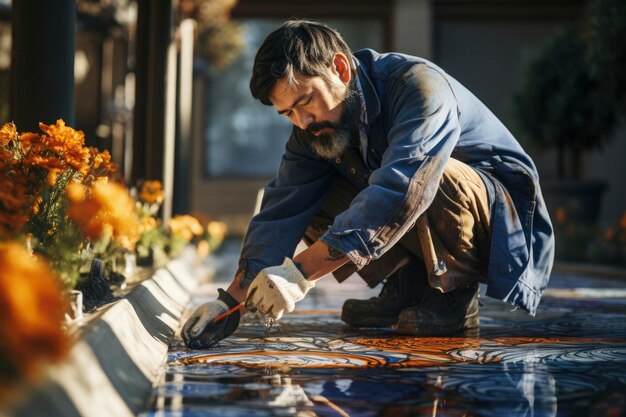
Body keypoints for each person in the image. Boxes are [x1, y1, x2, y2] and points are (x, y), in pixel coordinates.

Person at [182, 20, 555, 349]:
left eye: (306, 101)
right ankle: (409, 286)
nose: (302, 120)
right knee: (314, 189)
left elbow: (403, 188)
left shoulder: (418, 88)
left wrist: (300, 273)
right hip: (418, 201)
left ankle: (454, 295)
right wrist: (229, 302)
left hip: (498, 220)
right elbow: (282, 208)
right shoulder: (313, 128)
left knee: (422, 177)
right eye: (288, 113)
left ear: (340, 68)